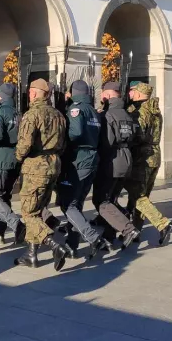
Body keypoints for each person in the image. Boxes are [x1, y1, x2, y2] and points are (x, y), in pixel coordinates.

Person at [14, 79, 73, 270]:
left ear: (33, 93)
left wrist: (18, 157)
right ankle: (31, 254)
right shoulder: (58, 115)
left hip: (35, 166)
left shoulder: (32, 115)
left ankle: (54, 245)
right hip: (54, 164)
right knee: (38, 210)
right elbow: (63, 144)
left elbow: (24, 144)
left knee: (28, 212)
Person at [56, 80, 108, 259]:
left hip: (78, 159)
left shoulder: (76, 109)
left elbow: (76, 132)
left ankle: (93, 238)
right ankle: (72, 245)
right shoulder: (93, 110)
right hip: (92, 159)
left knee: (68, 205)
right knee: (76, 204)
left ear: (73, 93)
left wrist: (62, 139)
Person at [126, 82, 172, 245]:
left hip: (142, 158)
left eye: (133, 91)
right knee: (143, 196)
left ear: (139, 93)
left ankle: (162, 224)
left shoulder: (141, 111)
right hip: (155, 155)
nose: (131, 94)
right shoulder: (155, 111)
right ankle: (136, 230)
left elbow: (138, 136)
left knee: (138, 195)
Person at [93, 82, 140, 249]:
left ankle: (128, 229)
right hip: (126, 159)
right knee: (111, 200)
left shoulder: (108, 115)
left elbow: (107, 142)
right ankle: (109, 236)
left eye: (101, 95)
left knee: (101, 201)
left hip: (111, 161)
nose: (100, 98)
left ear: (107, 95)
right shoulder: (127, 114)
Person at [0, 83, 25, 244]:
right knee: (5, 196)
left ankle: (16, 224)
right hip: (15, 158)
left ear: (0, 96)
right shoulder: (18, 113)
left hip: (2, 158)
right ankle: (0, 232)